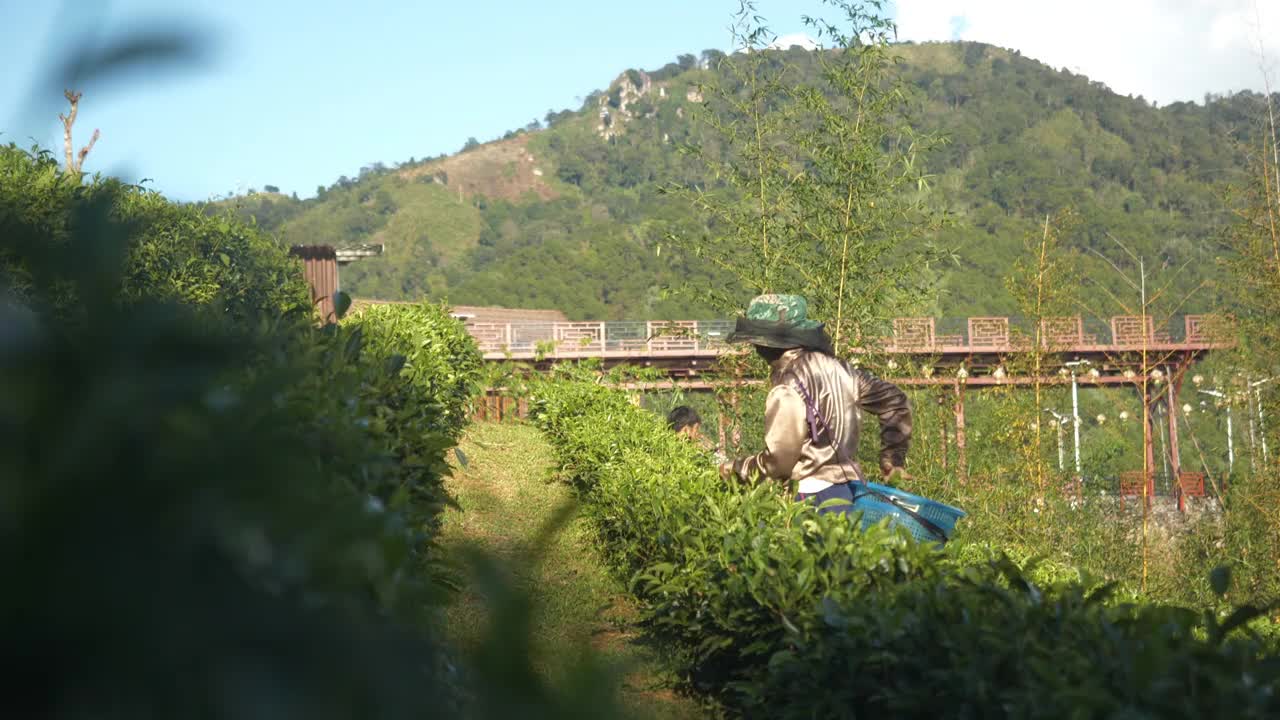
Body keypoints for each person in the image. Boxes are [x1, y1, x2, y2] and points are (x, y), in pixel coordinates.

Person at [717, 294, 913, 515]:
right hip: (851, 492)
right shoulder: (841, 370)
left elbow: (780, 462)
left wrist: (737, 469)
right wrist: (892, 459)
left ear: (767, 342)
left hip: (809, 496)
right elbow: (895, 401)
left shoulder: (787, 384)